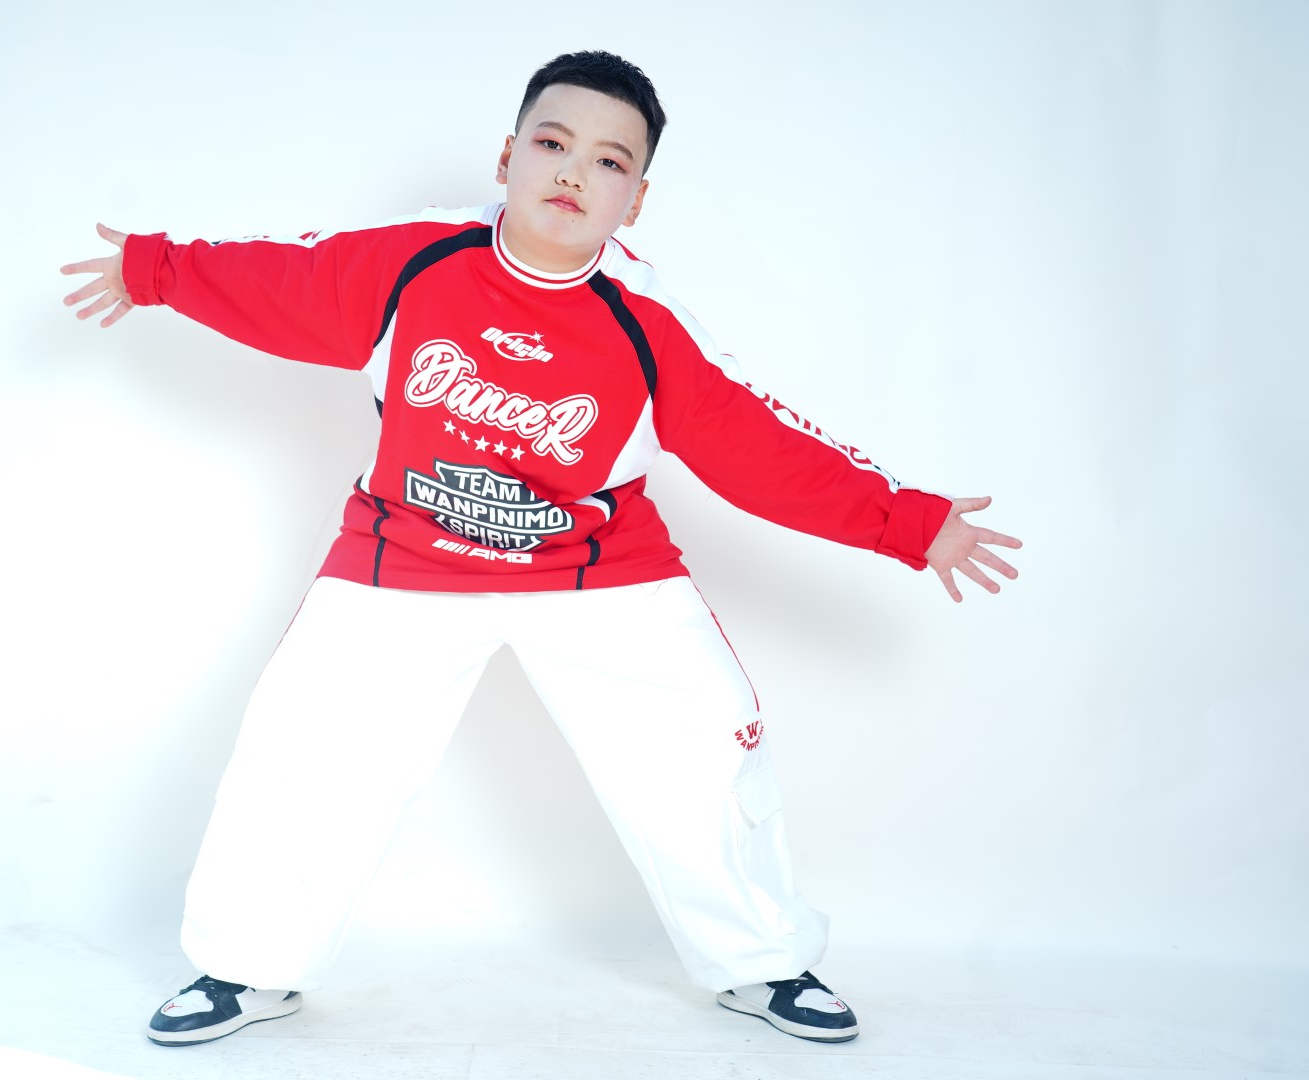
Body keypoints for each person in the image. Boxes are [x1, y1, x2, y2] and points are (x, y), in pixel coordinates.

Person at [59, 50, 1020, 1049]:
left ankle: (763, 964)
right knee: (304, 747)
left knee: (704, 747)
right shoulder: (412, 264)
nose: (573, 172)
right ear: (507, 157)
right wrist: (154, 270)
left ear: (635, 201)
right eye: (553, 143)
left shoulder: (645, 321)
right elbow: (282, 277)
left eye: (609, 162)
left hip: (599, 573)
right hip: (404, 560)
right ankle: (246, 969)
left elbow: (762, 447)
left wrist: (911, 523)